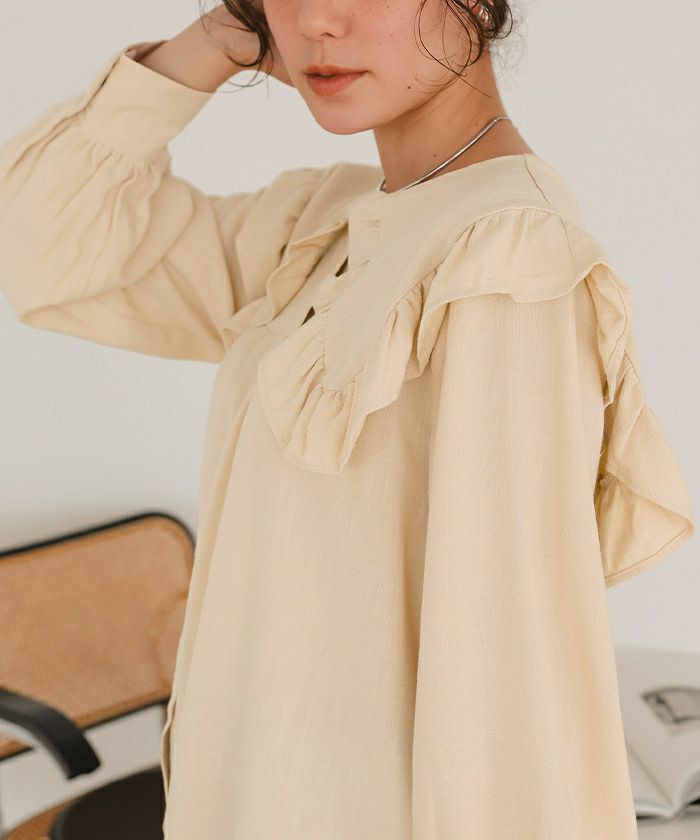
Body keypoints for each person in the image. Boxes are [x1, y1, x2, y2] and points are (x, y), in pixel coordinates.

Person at [0, 2, 694, 837]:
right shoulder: (325, 224)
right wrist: (218, 39)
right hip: (244, 796)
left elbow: (503, 670)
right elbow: (47, 248)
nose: (319, 22)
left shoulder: (508, 256)